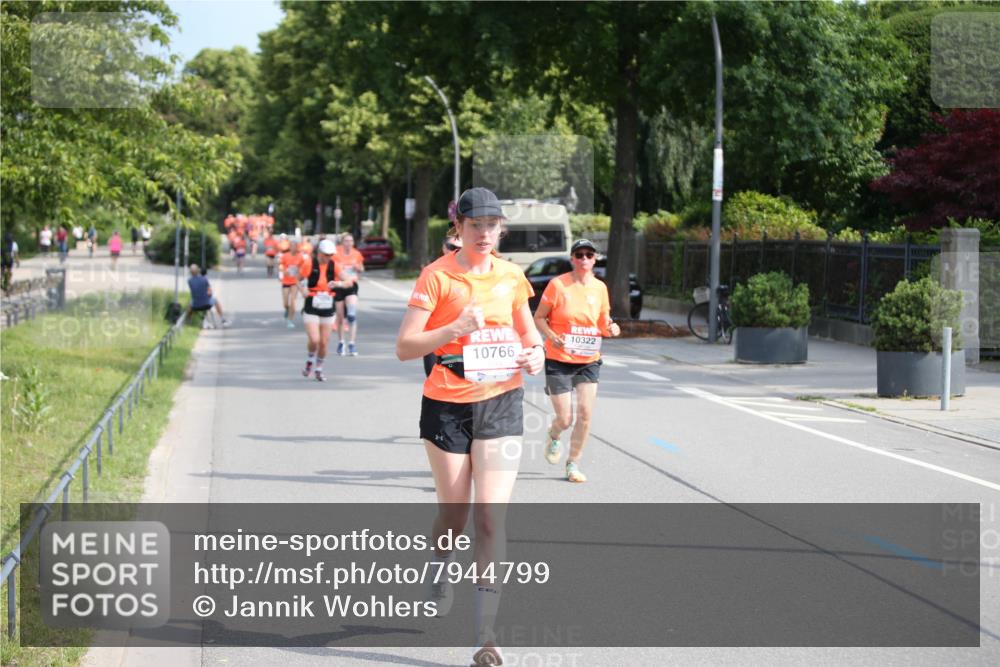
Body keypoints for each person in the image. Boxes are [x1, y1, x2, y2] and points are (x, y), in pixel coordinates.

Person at [395, 187, 544, 666]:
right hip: (446, 405)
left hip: (501, 401)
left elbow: (530, 335)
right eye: (475, 224)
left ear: (501, 228)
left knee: (489, 518)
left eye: (491, 224)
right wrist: (454, 329)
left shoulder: (512, 276)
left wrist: (536, 354)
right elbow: (405, 347)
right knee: (455, 517)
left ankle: (486, 635)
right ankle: (439, 565)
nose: (483, 232)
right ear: (457, 227)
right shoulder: (436, 277)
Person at [532, 239, 621, 483]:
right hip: (559, 358)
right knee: (565, 418)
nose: (584, 259)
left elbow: (603, 320)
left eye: (588, 255)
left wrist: (612, 328)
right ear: (572, 259)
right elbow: (539, 317)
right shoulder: (558, 285)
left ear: (595, 259)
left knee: (585, 414)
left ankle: (572, 464)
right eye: (579, 255)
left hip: (588, 359)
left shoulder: (600, 288)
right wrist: (551, 336)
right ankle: (554, 434)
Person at [299, 238, 353, 382]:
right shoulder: (309, 263)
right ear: (319, 253)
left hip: (327, 305)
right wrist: (303, 290)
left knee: (324, 341)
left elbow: (349, 281)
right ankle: (310, 359)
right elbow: (300, 279)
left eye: (330, 255)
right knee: (315, 339)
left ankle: (319, 368)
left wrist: (339, 283)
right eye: (326, 254)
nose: (328, 257)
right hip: (312, 304)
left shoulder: (333, 265)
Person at [423, 228, 464, 377]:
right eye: (453, 247)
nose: (457, 251)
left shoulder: (471, 271)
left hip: (461, 341)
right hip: (435, 337)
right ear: (444, 248)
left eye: (460, 248)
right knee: (434, 378)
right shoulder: (433, 272)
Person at [333, 233, 365, 356]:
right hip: (339, 286)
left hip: (351, 285)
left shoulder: (357, 254)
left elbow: (362, 268)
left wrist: (358, 268)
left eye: (351, 241)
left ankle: (352, 343)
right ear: (342, 242)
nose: (349, 243)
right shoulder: (336, 254)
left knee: (351, 315)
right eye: (346, 241)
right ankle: (341, 342)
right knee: (340, 316)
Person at [277, 237, 301, 328]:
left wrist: (300, 271)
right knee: (285, 303)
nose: (293, 248)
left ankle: (290, 320)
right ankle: (287, 309)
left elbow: (304, 267)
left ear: (297, 247)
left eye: (295, 246)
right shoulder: (285, 256)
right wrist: (283, 271)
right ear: (289, 247)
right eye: (291, 246)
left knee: (293, 302)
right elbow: (280, 265)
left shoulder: (300, 256)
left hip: (295, 282)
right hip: (286, 281)